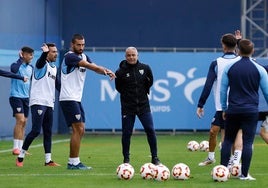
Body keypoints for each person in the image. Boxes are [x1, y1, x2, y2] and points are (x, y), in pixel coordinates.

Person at [59, 34, 115, 170]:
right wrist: (105, 72)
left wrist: (105, 70)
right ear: (72, 45)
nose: (81, 47)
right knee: (78, 128)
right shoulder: (69, 56)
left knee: (81, 130)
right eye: (78, 45)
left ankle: (74, 161)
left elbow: (94, 65)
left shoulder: (84, 56)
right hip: (68, 98)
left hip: (76, 99)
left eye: (83, 44)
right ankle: (73, 163)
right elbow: (91, 67)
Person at [220, 39, 268, 180]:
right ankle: (244, 175)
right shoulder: (259, 69)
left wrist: (224, 108)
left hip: (233, 110)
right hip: (251, 111)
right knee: (248, 142)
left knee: (228, 140)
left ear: (238, 50)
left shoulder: (230, 67)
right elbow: (266, 92)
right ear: (253, 51)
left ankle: (223, 173)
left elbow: (223, 91)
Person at [196, 32, 242, 166]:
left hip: (231, 106)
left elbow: (208, 85)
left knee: (228, 137)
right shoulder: (237, 61)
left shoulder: (218, 63)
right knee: (213, 131)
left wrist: (200, 104)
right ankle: (211, 157)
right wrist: (201, 103)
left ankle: (232, 163)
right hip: (222, 106)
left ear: (223, 45)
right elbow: (209, 84)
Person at [16, 43, 60, 167]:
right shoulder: (40, 65)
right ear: (47, 54)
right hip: (38, 102)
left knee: (48, 132)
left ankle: (48, 160)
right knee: (35, 131)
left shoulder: (54, 68)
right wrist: (44, 53)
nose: (55, 53)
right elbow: (41, 61)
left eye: (56, 51)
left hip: (49, 103)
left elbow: (59, 86)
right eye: (53, 52)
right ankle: (21, 156)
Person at [115, 46, 161, 165]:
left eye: (133, 55)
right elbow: (118, 88)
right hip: (127, 107)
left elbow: (150, 81)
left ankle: (155, 157)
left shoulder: (145, 68)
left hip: (143, 105)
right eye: (129, 55)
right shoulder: (120, 72)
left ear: (137, 56)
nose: (131, 57)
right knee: (127, 133)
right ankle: (126, 159)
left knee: (150, 130)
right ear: (125, 57)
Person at [9, 46, 34, 155]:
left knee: (24, 122)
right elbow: (13, 70)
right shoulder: (16, 65)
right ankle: (15, 148)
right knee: (20, 120)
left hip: (26, 98)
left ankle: (21, 148)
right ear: (23, 54)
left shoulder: (31, 68)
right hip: (16, 96)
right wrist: (20, 59)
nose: (31, 57)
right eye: (29, 54)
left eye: (32, 55)